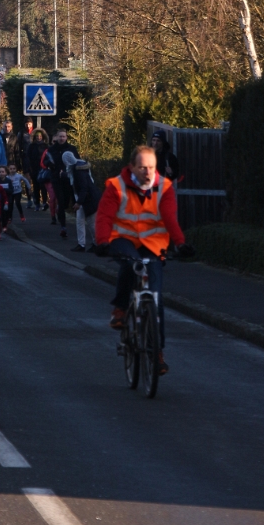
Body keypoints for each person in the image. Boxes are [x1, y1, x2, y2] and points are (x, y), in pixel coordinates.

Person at [94, 145, 194, 375]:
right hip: (123, 239)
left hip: (153, 244)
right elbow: (105, 216)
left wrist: (180, 243)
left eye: (151, 167)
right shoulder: (116, 186)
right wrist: (102, 241)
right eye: (142, 167)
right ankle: (120, 309)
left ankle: (156, 352)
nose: (147, 172)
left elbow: (169, 217)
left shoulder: (164, 187)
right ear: (131, 167)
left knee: (156, 299)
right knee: (131, 263)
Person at [42, 127, 79, 239]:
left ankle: (61, 211)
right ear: (57, 137)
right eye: (60, 136)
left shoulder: (71, 148)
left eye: (63, 136)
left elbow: (77, 161)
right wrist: (51, 165)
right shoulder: (51, 149)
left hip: (68, 179)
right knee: (61, 202)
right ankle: (63, 227)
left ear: (66, 137)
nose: (62, 138)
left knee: (66, 202)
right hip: (56, 178)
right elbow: (45, 161)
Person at [62, 150, 100, 252]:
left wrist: (78, 202)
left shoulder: (77, 171)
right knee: (82, 221)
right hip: (86, 199)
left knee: (89, 222)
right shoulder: (79, 166)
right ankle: (87, 244)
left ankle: (94, 243)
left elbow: (84, 188)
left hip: (87, 200)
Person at [28, 128, 49, 210]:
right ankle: (37, 203)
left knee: (43, 186)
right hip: (34, 168)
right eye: (37, 136)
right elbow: (28, 158)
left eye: (40, 136)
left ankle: (44, 202)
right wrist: (30, 168)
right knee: (36, 186)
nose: (39, 138)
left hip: (43, 168)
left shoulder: (46, 146)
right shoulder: (31, 146)